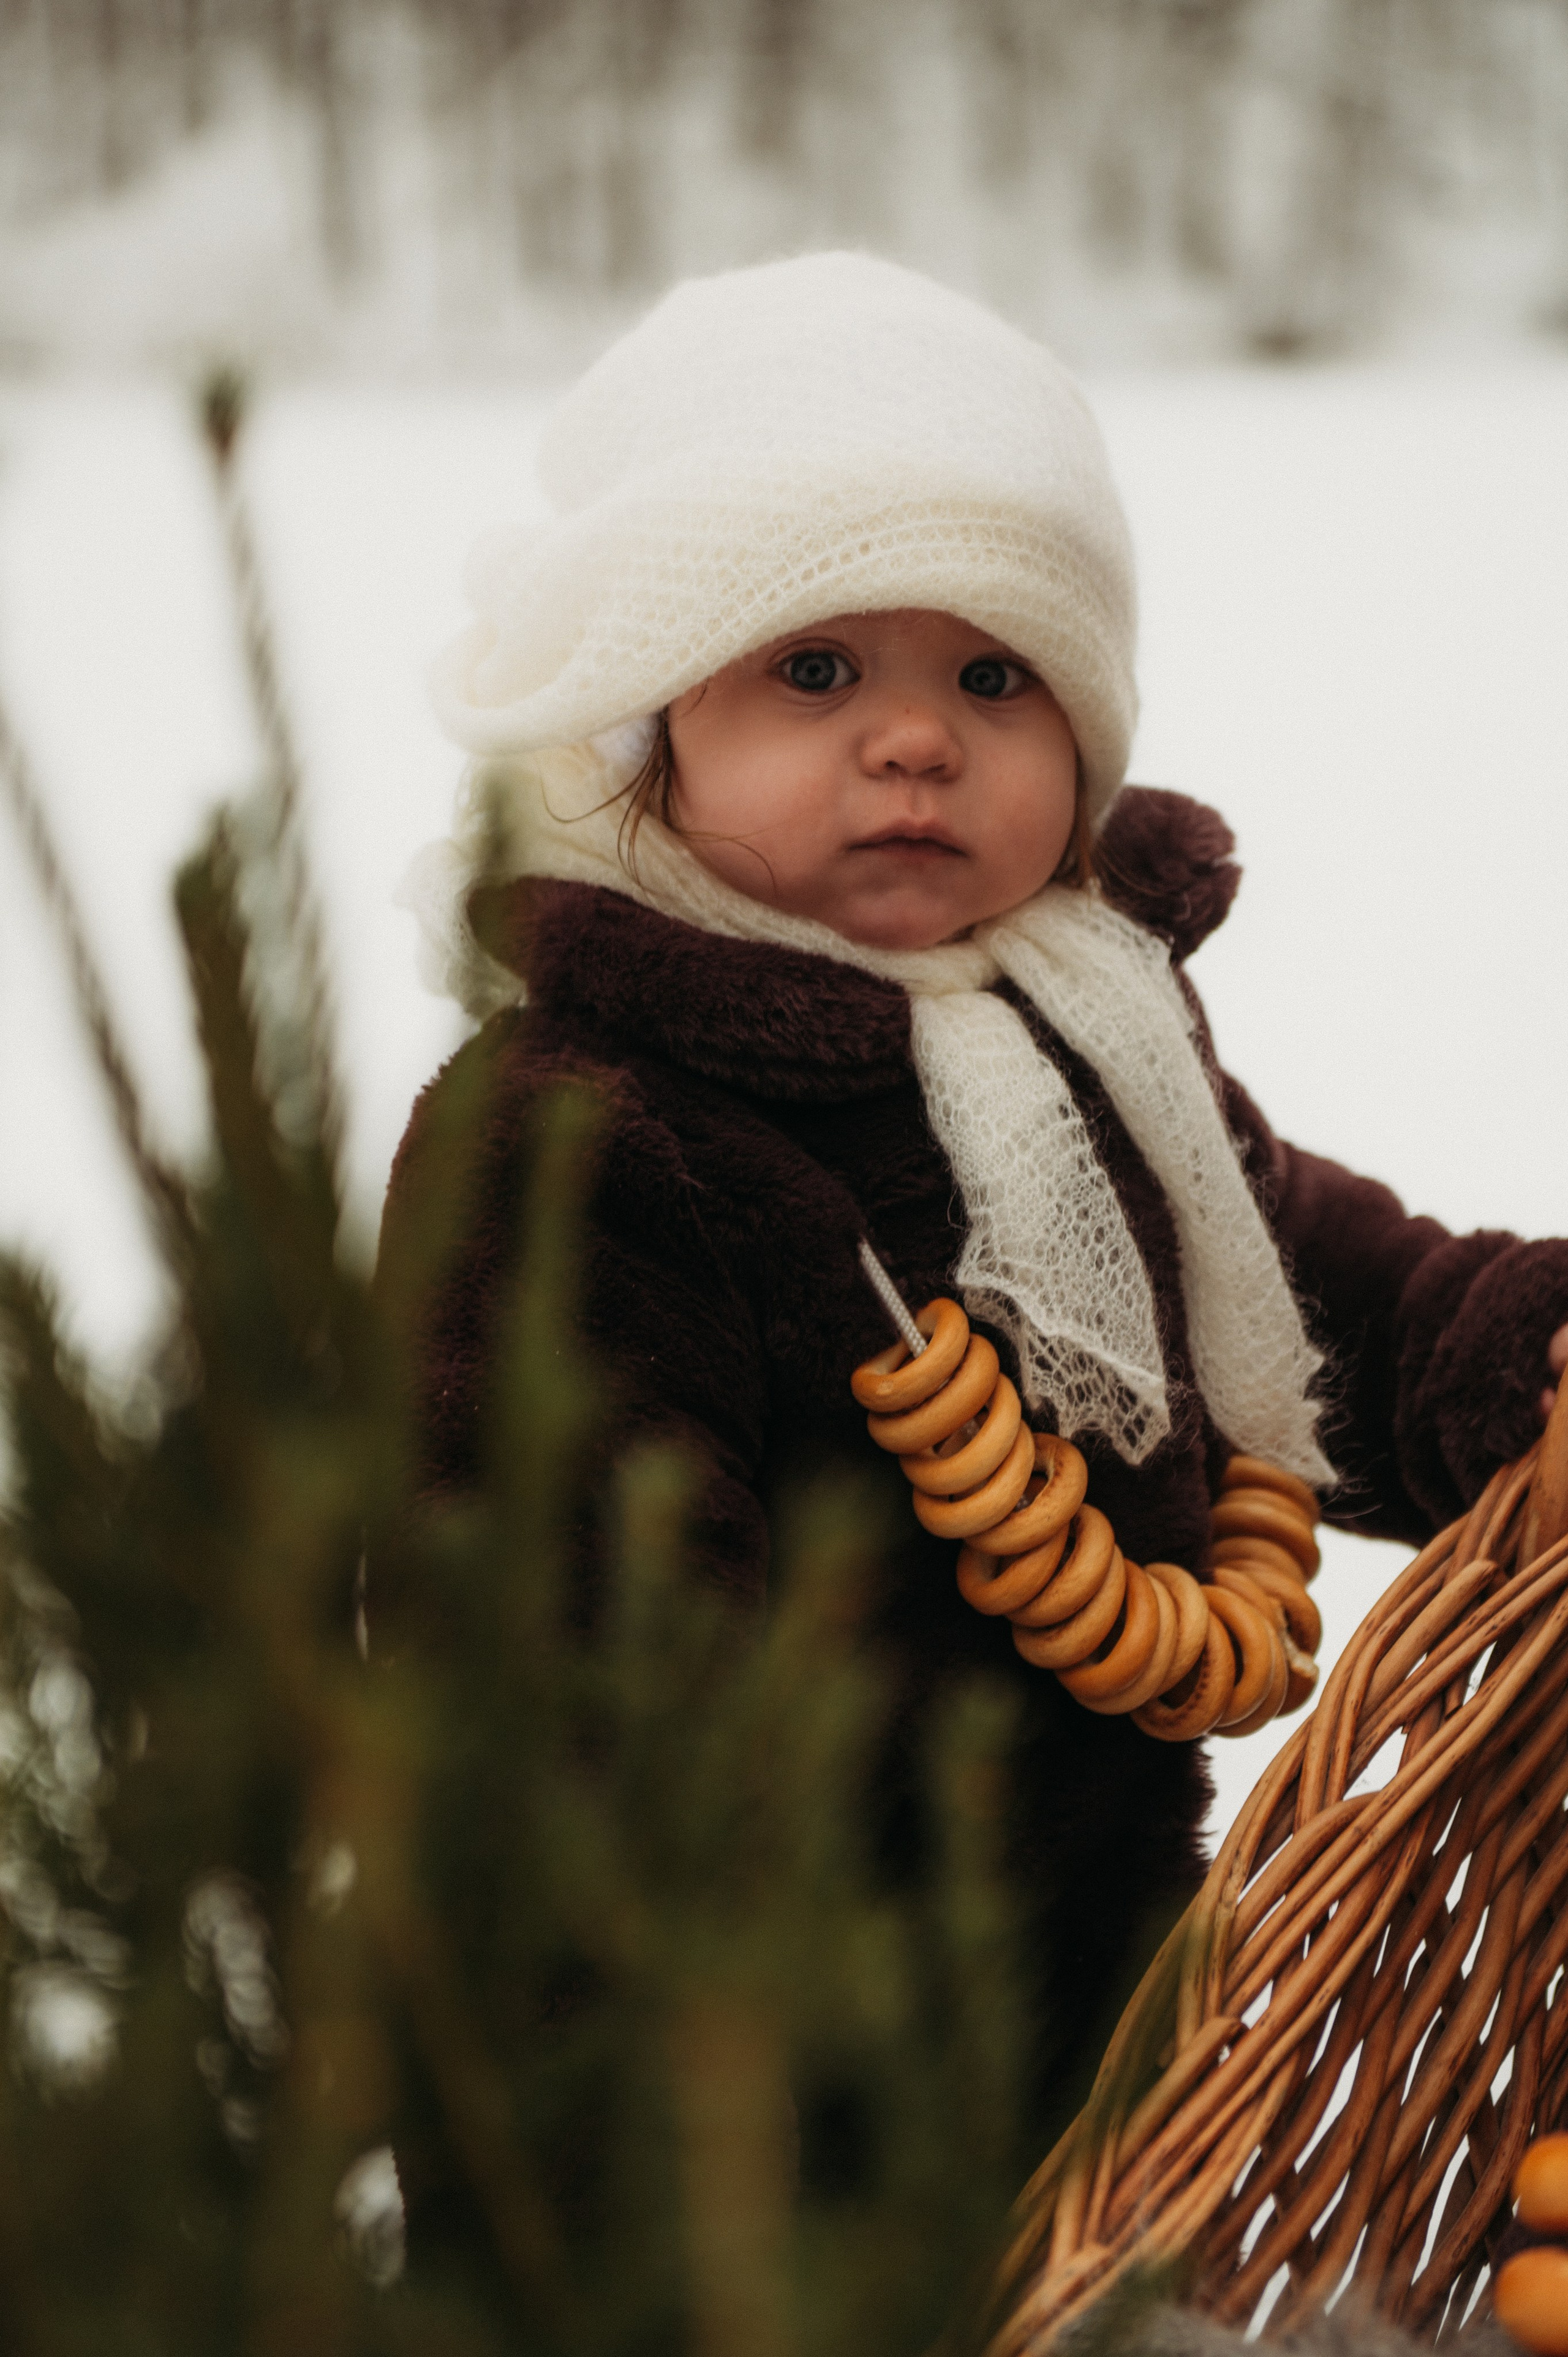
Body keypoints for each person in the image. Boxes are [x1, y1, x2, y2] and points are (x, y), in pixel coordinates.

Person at [381, 252, 1568, 2135]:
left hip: (1094, 2027)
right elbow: (551, 1644)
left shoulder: (1090, 1033)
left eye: (995, 674)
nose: (919, 737)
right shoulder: (592, 1135)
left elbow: (1296, 1283)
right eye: (817, 667)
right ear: (644, 728)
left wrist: (1508, 1353)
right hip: (734, 2099)